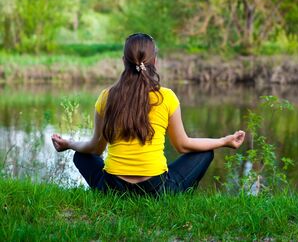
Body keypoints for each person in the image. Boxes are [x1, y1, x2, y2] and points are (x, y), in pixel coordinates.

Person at [52, 33, 245, 195]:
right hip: (156, 188)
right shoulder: (166, 97)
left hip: (112, 188)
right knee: (204, 153)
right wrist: (224, 141)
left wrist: (69, 144)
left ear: (123, 62)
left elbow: (95, 148)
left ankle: (108, 193)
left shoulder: (106, 97)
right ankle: (178, 197)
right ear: (155, 62)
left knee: (81, 155)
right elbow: (183, 145)